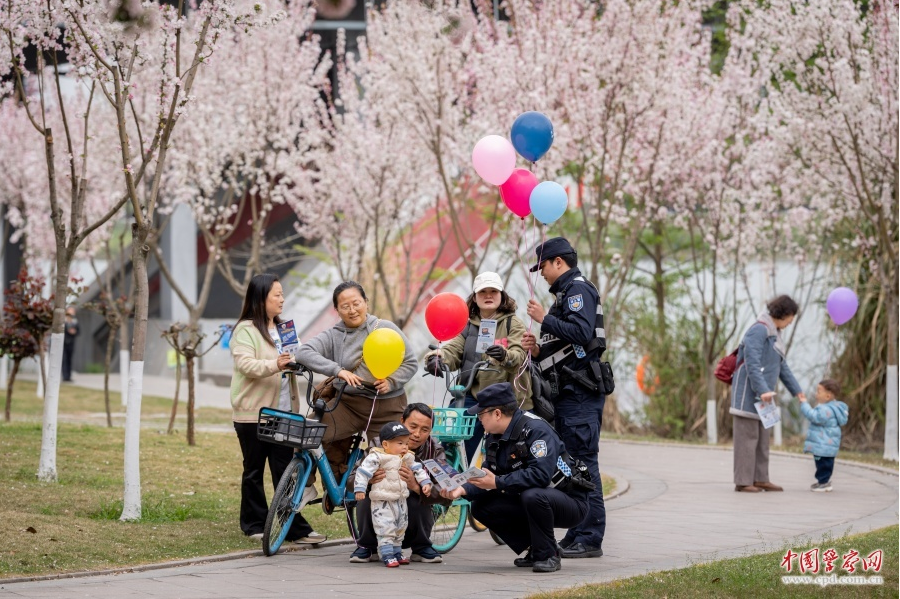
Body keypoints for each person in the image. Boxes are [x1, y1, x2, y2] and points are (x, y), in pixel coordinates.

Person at [441, 383, 591, 573]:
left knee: (533, 495)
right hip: (533, 498)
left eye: (481, 414)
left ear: (497, 413)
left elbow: (541, 476)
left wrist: (497, 482)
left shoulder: (536, 431)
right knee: (481, 506)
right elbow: (488, 476)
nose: (479, 420)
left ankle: (548, 554)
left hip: (570, 501)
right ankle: (535, 548)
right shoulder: (494, 436)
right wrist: (462, 490)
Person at [521, 237, 606, 559]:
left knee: (585, 465)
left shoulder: (579, 290)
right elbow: (569, 346)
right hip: (569, 393)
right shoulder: (566, 293)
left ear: (559, 262)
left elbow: (583, 333)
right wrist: (539, 349)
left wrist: (545, 318)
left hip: (580, 393)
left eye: (542, 266)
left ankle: (590, 536)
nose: (540, 273)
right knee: (575, 465)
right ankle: (578, 532)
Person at [230, 273, 325, 544]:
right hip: (254, 413)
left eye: (282, 294)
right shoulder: (245, 330)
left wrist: (298, 362)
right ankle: (253, 524)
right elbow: (246, 365)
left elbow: (293, 355)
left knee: (286, 472)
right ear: (261, 298)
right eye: (277, 295)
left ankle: (292, 526)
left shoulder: (284, 328)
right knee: (254, 469)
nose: (282, 299)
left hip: (285, 412)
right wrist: (277, 364)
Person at [296, 281, 418, 477]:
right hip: (348, 406)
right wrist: (337, 370)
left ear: (366, 302)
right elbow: (303, 353)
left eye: (356, 303)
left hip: (387, 408)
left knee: (383, 470)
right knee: (305, 434)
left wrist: (392, 381)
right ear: (337, 309)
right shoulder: (334, 335)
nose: (352, 310)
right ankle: (306, 486)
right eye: (345, 306)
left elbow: (411, 363)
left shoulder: (386, 328)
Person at [425, 271, 532, 461]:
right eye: (483, 292)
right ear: (475, 297)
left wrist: (504, 356)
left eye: (493, 291)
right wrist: (438, 358)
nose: (488, 296)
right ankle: (449, 476)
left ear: (502, 295)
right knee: (451, 439)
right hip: (473, 396)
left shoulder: (512, 323)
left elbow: (519, 354)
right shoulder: (467, 325)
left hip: (505, 398)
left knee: (502, 454)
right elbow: (452, 349)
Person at [349, 403, 449, 565]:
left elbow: (446, 493)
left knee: (419, 498)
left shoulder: (435, 451)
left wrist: (416, 486)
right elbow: (352, 479)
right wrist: (370, 481)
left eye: (425, 430)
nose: (417, 434)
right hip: (381, 511)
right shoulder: (380, 444)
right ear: (402, 421)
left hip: (409, 517)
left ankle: (421, 547)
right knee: (367, 497)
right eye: (413, 426)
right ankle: (367, 546)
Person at [730, 294, 806, 493]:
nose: (791, 322)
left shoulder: (775, 334)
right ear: (784, 313)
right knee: (747, 439)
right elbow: (752, 363)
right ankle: (743, 481)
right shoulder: (758, 330)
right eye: (791, 317)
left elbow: (782, 367)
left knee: (763, 439)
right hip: (749, 393)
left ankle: (760, 478)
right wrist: (762, 389)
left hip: (765, 396)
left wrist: (797, 390)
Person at [799, 379, 849, 493]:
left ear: (828, 395)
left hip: (823, 444)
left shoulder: (825, 409)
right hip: (827, 445)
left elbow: (813, 416)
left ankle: (824, 483)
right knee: (825, 463)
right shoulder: (834, 408)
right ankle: (823, 481)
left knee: (822, 464)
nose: (816, 394)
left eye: (818, 391)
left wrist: (804, 404)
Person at [62, 306, 79, 382]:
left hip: (71, 343)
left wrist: (74, 332)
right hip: (64, 343)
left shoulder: (75, 322)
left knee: (69, 360)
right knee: (64, 360)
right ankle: (65, 376)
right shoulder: (63, 321)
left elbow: (79, 331)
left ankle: (68, 376)